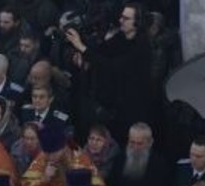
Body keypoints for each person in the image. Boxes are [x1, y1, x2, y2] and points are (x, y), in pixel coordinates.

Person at [64, 2, 152, 144]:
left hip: (132, 105)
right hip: (113, 102)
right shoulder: (120, 38)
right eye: (121, 17)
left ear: (138, 22)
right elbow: (101, 52)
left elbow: (114, 66)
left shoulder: (141, 46)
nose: (120, 20)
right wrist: (83, 56)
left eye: (126, 18)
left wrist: (81, 46)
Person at [22, 124, 104, 186]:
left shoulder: (82, 160)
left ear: (64, 148)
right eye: (47, 153)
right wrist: (44, 179)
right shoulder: (43, 158)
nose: (50, 157)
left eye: (53, 153)